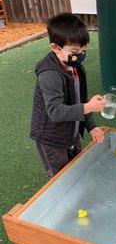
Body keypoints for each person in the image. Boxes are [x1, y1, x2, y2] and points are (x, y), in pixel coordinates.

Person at [30, 13, 106, 178]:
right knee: (61, 178)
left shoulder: (76, 66)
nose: (80, 54)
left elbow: (81, 100)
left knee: (77, 169)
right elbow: (55, 112)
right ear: (55, 48)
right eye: (74, 51)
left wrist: (91, 126)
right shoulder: (49, 74)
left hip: (71, 132)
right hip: (51, 139)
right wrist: (88, 107)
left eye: (83, 50)